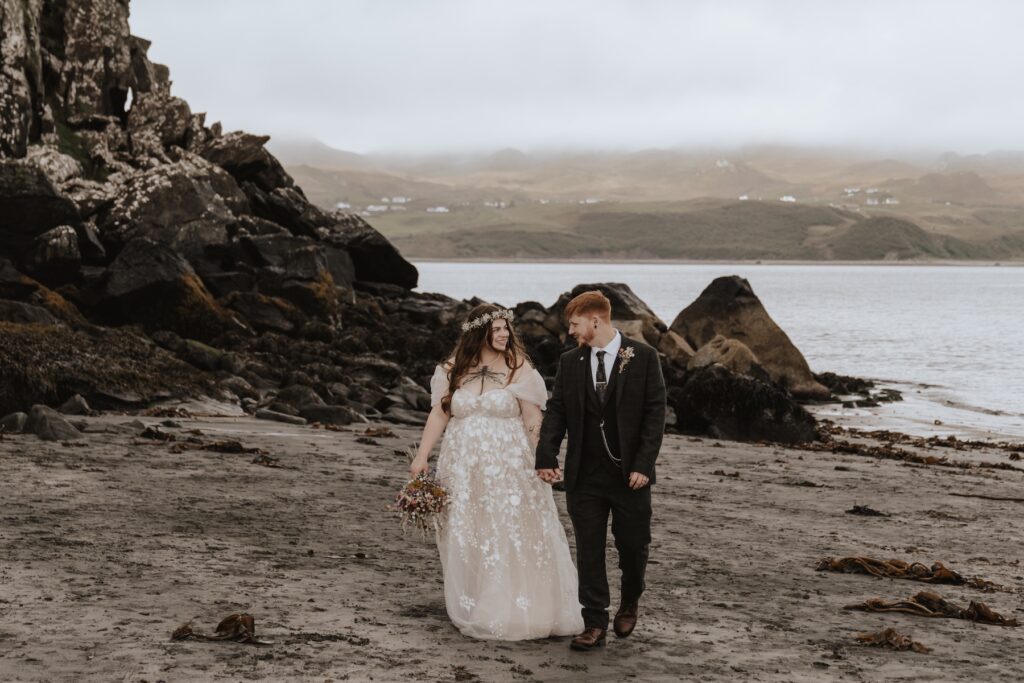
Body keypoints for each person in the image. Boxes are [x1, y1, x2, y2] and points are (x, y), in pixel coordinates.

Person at [410, 303, 584, 640]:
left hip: (508, 466)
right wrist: (421, 456)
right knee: (468, 528)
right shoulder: (451, 369)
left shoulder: (520, 369)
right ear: (480, 333)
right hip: (461, 465)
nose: (505, 334)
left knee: (508, 529)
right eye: (498, 329)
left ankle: (510, 605)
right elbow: (439, 415)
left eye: (507, 329)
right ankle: (476, 600)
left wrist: (543, 458)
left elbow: (533, 421)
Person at [535, 290, 666, 651]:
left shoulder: (644, 358)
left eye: (575, 324)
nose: (571, 332)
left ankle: (630, 599)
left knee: (633, 547)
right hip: (584, 475)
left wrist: (643, 465)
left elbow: (656, 415)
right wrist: (547, 455)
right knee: (589, 550)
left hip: (629, 476)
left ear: (596, 320)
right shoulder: (570, 362)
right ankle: (594, 621)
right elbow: (558, 410)